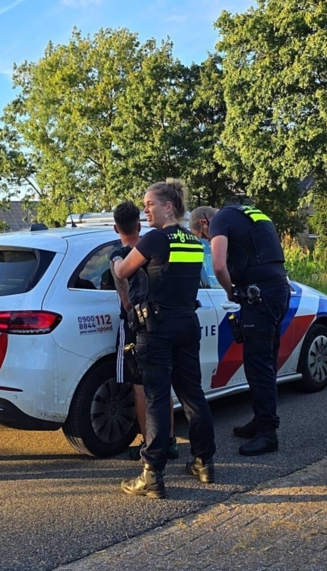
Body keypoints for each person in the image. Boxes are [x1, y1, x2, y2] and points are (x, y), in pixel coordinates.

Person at [113, 179, 217, 498]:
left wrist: (117, 260)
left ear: (168, 207)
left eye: (150, 204)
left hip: (156, 329)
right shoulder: (191, 241)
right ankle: (203, 462)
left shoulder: (155, 239)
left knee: (158, 399)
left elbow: (122, 272)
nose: (145, 209)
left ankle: (152, 475)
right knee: (192, 395)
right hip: (186, 324)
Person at [189, 202, 290, 456]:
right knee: (266, 362)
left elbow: (219, 266)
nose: (207, 240)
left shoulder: (220, 220)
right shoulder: (247, 212)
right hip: (279, 290)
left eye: (204, 237)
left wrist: (230, 291)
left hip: (259, 296)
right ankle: (261, 419)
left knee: (257, 365)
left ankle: (268, 433)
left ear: (204, 222)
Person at [103, 202, 177, 461]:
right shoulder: (152, 247)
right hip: (162, 321)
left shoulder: (118, 254)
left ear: (116, 227)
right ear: (139, 224)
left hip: (135, 325)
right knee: (162, 383)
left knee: (140, 387)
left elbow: (125, 295)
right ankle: (169, 441)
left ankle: (149, 444)